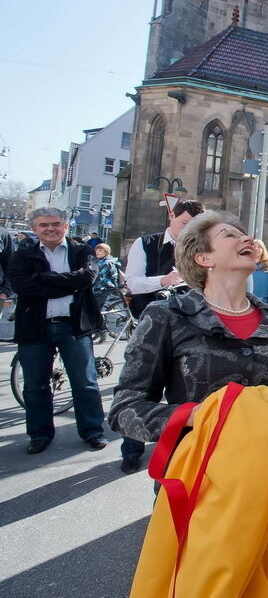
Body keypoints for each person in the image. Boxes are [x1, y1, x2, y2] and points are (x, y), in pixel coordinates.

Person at [108, 211, 268, 447]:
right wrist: (195, 416)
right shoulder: (167, 316)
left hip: (266, 469)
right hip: (196, 475)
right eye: (229, 235)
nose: (247, 239)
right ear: (204, 258)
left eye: (245, 235)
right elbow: (124, 409)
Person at [8, 207, 109, 454]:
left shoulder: (81, 251)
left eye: (55, 224)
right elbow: (21, 285)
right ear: (34, 229)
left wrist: (42, 278)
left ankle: (93, 431)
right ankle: (40, 435)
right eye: (43, 225)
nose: (50, 228)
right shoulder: (23, 253)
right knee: (35, 385)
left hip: (73, 326)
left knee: (85, 382)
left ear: (66, 226)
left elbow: (87, 278)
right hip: (35, 327)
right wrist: (66, 281)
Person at [120, 198, 205, 473]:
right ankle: (131, 449)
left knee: (183, 397)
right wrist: (163, 280)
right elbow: (132, 282)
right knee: (141, 392)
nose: (189, 229)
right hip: (152, 329)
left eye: (195, 225)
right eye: (184, 223)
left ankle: (178, 455)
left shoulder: (201, 248)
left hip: (190, 330)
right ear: (172, 216)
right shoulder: (146, 244)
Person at [92, 243, 122, 339]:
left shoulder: (107, 262)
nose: (97, 252)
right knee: (94, 310)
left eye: (100, 250)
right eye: (96, 250)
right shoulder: (97, 261)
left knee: (96, 311)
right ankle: (98, 331)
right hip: (96, 289)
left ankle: (102, 330)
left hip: (104, 289)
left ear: (106, 252)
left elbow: (113, 276)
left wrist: (117, 288)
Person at [248, 239, 268, 304]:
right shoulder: (246, 263)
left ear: (263, 249)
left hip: (266, 301)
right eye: (254, 246)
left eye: (259, 247)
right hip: (248, 299)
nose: (256, 248)